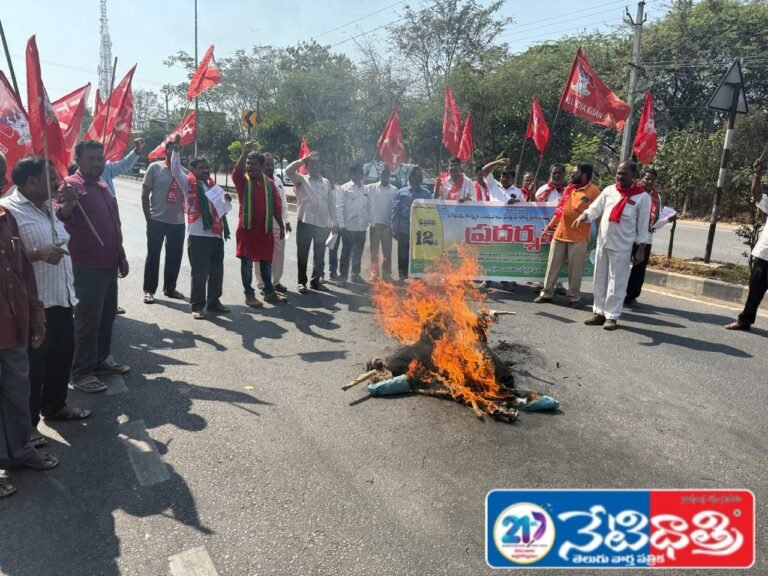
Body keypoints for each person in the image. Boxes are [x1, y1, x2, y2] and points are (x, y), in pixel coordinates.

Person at [0, 157, 90, 450]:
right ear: (31, 182)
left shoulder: (47, 206)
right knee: (32, 369)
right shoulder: (9, 210)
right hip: (34, 305)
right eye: (50, 178)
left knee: (60, 358)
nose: (57, 182)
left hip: (61, 298)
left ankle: (55, 406)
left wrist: (68, 207)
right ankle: (27, 427)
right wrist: (38, 253)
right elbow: (7, 259)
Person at [0, 153, 59, 499]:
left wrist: (37, 315)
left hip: (13, 325)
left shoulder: (6, 218)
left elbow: (23, 272)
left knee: (16, 392)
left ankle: (19, 453)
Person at [54, 141, 131, 391]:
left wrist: (120, 255)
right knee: (87, 322)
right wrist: (68, 205)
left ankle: (100, 360)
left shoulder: (102, 185)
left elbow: (114, 223)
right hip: (87, 266)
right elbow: (60, 213)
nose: (97, 163)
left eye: (100, 159)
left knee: (106, 317)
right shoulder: (70, 186)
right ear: (78, 160)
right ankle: (81, 373)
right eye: (91, 159)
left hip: (109, 263)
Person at [573, 160, 651, 330]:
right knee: (599, 279)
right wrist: (584, 216)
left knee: (617, 282)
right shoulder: (609, 191)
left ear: (634, 175)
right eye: (618, 173)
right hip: (603, 242)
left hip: (622, 247)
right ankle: (599, 312)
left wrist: (641, 249)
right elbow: (595, 208)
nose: (620, 176)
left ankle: (612, 316)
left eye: (624, 174)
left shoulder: (642, 197)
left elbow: (643, 227)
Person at [169, 139, 230, 319]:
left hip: (216, 235)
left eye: (207, 167)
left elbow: (222, 208)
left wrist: (226, 200)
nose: (205, 170)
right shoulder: (188, 183)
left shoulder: (212, 185)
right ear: (193, 169)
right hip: (198, 236)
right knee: (199, 274)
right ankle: (197, 306)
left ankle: (214, 302)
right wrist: (176, 151)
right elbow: (175, 170)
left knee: (217, 273)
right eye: (201, 168)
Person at [534, 164, 601, 307]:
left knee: (575, 270)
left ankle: (573, 297)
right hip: (560, 234)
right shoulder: (568, 189)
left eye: (575, 173)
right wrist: (549, 226)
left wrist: (600, 234)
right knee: (552, 265)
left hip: (579, 238)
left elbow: (598, 214)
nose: (572, 175)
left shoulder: (594, 191)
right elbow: (560, 211)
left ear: (584, 175)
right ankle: (546, 293)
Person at [232, 143, 286, 306]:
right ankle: (249, 295)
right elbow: (237, 172)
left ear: (262, 166)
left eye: (253, 164)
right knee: (247, 264)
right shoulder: (243, 181)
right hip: (247, 231)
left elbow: (276, 207)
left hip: (264, 231)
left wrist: (282, 226)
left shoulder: (269, 184)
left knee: (266, 263)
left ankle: (269, 292)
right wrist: (244, 153)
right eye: (248, 164)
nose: (249, 167)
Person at [141, 139, 186, 304]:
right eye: (171, 148)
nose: (173, 151)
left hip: (178, 223)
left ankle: (170, 288)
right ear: (165, 151)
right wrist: (148, 217)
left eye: (177, 149)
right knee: (153, 256)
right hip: (157, 221)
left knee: (175, 257)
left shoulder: (184, 172)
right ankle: (149, 290)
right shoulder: (155, 168)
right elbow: (145, 193)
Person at [726, 158, 768, 331]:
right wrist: (757, 174)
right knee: (755, 289)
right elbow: (757, 195)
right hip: (765, 255)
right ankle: (745, 321)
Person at [285, 151, 335, 294]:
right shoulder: (301, 179)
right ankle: (301, 282)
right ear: (307, 167)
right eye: (311, 165)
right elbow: (288, 170)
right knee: (302, 254)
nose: (314, 167)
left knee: (319, 254)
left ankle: (315, 281)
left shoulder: (326, 183)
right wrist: (303, 159)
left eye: (316, 165)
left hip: (322, 224)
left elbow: (331, 203)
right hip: (305, 222)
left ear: (320, 166)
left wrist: (334, 222)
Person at [625, 168, 673, 307]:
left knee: (639, 268)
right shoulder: (632, 192)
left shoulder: (657, 197)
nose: (649, 181)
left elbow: (656, 221)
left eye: (652, 179)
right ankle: (616, 294)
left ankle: (631, 296)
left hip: (646, 238)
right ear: (640, 179)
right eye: (647, 178)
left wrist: (667, 219)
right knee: (621, 265)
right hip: (628, 235)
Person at [253, 153, 291, 294]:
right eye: (267, 165)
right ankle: (262, 283)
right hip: (262, 226)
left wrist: (287, 221)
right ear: (261, 166)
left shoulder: (278, 181)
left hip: (278, 225)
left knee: (279, 254)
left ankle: (276, 282)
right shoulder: (256, 181)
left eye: (272, 165)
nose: (270, 167)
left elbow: (283, 203)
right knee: (261, 255)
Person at [392, 166, 432, 280]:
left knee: (419, 254)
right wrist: (394, 228)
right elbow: (395, 211)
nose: (421, 178)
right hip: (404, 229)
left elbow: (431, 210)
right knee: (403, 254)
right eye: (419, 176)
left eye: (421, 176)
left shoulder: (426, 193)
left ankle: (418, 277)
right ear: (411, 177)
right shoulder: (401, 192)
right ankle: (402, 276)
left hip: (420, 231)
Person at [335, 162, 370, 285]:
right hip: (348, 228)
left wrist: (369, 222)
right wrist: (342, 227)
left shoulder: (366, 189)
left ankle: (355, 275)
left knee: (358, 253)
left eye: (362, 171)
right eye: (360, 171)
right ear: (353, 173)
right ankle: (343, 277)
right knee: (346, 253)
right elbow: (339, 208)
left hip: (361, 228)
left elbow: (369, 207)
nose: (362, 173)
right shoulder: (344, 188)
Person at [367, 163, 398, 281]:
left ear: (389, 174)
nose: (384, 174)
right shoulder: (371, 188)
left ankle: (386, 273)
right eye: (382, 172)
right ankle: (374, 273)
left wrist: (393, 226)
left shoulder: (394, 190)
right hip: (374, 225)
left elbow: (395, 209)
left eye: (387, 172)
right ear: (379, 173)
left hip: (387, 226)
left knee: (387, 252)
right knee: (374, 251)